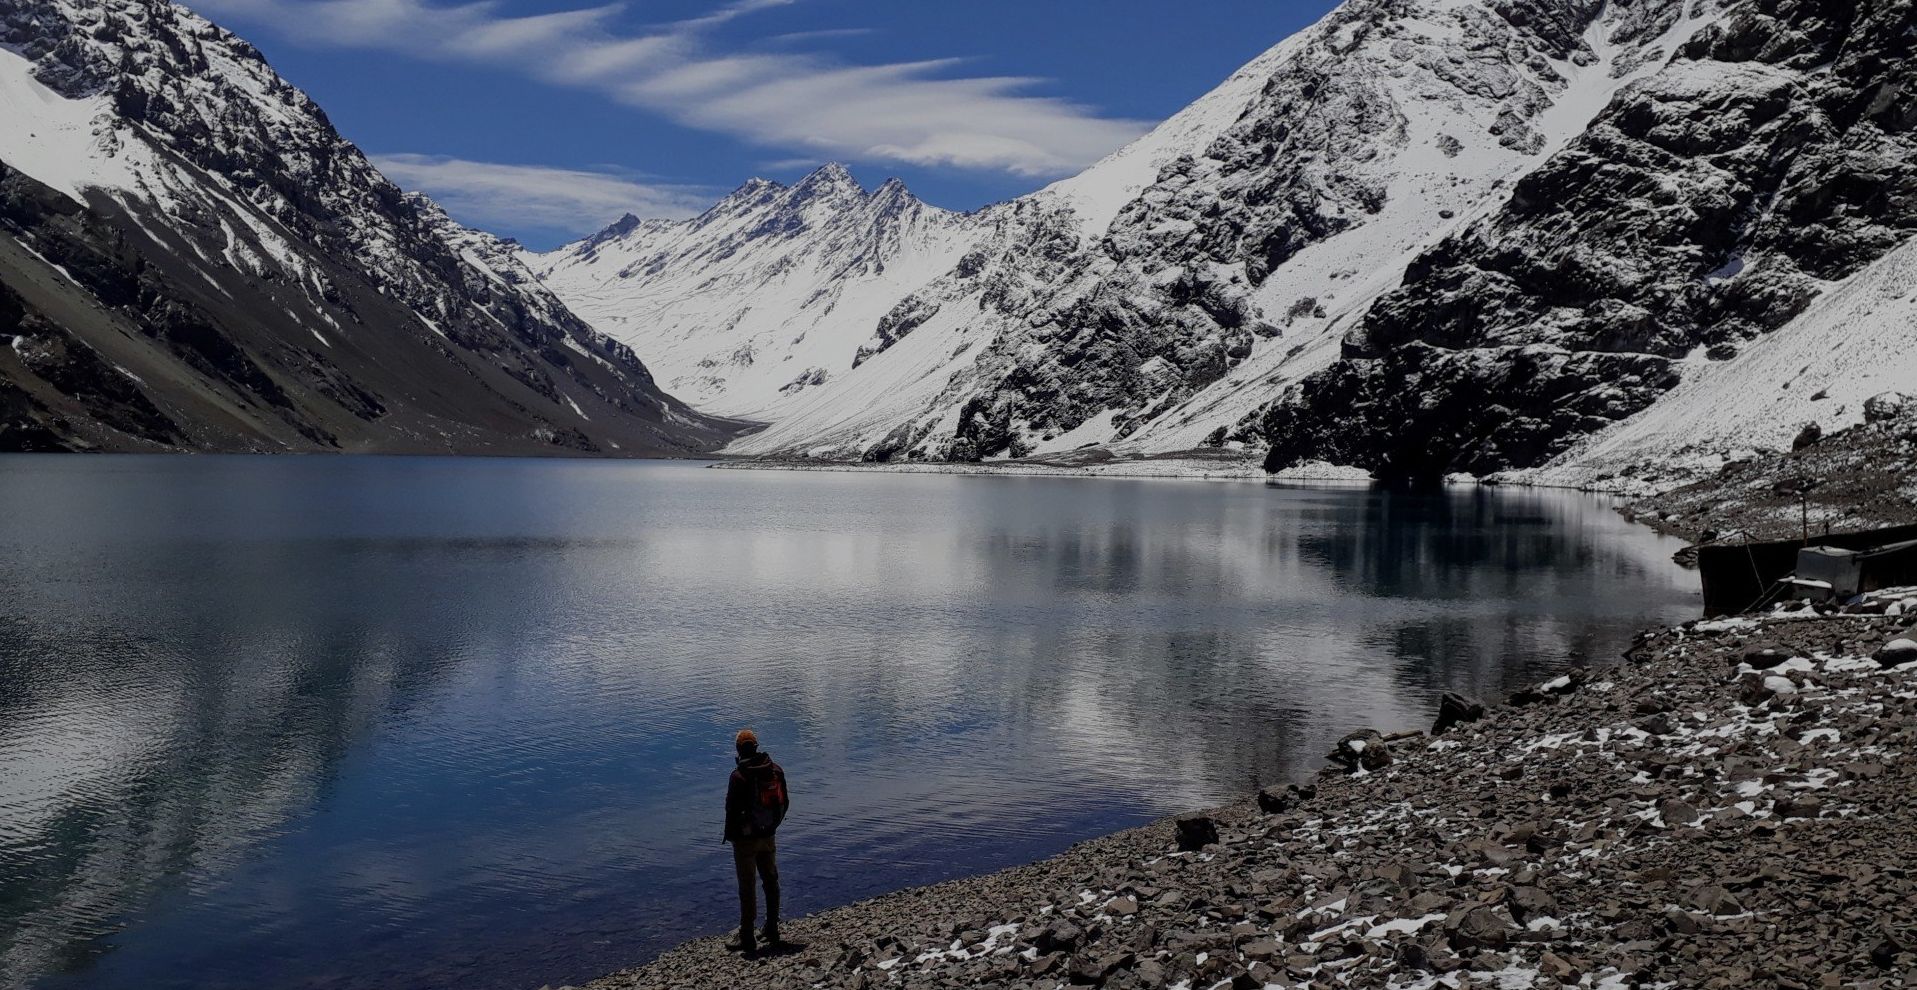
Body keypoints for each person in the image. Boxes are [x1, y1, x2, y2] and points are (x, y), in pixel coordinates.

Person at [723, 728, 788, 955]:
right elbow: (784, 803)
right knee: (771, 881)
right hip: (768, 836)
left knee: (747, 887)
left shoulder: (738, 776)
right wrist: (771, 827)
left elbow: (731, 810)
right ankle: (771, 928)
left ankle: (747, 936)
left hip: (745, 842)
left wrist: (732, 836)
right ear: (757, 747)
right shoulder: (775, 771)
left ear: (739, 749)